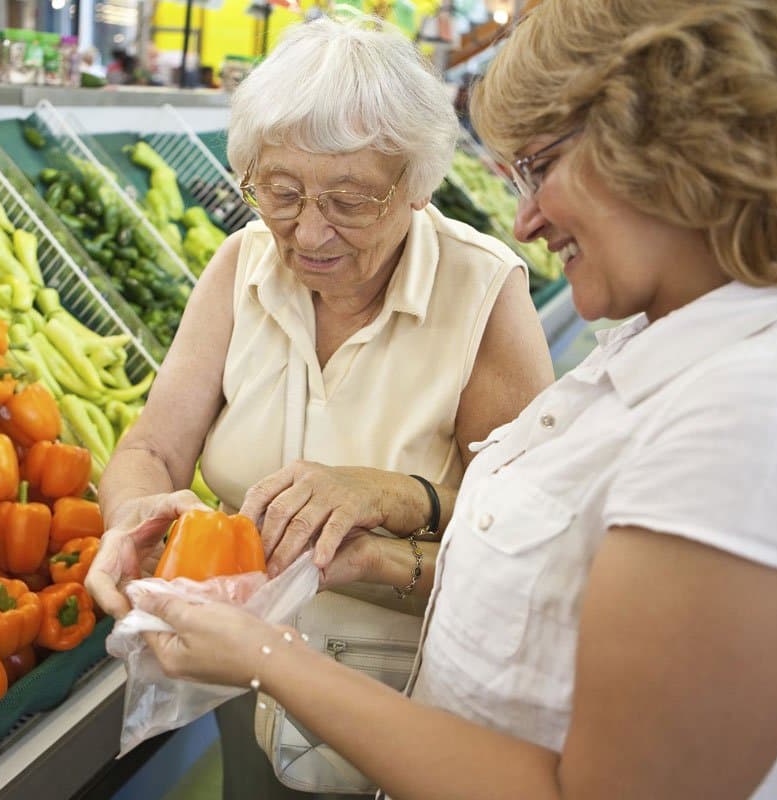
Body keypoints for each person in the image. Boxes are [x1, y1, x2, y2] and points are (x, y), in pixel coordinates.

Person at [112, 1, 777, 798]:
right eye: (281, 192)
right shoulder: (661, 356)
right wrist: (376, 558)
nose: (526, 217)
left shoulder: (770, 415)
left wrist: (269, 656)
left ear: (668, 149)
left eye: (540, 165)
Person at [84, 12, 554, 800]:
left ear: (417, 185)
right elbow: (152, 450)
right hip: (239, 683)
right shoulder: (241, 265)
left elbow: (530, 548)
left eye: (351, 200)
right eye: (280, 191)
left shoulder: (482, 292)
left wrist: (398, 500)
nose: (307, 231)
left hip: (409, 702)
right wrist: (132, 513)